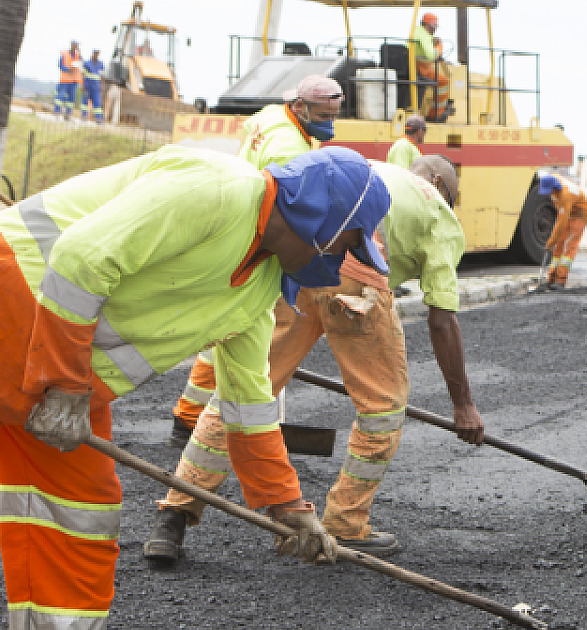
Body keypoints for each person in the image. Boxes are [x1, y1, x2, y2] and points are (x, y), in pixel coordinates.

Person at [0, 143, 391, 628]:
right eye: (348, 245)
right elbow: (81, 257)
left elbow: (249, 404)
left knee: (79, 515)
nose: (341, 264)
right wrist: (62, 384)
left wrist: (288, 505)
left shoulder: (258, 289)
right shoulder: (217, 188)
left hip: (47, 376)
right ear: (322, 221)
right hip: (16, 307)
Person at [144, 154, 483, 563]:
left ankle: (174, 515)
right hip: (359, 285)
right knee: (382, 410)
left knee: (242, 394)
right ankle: (346, 524)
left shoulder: (371, 170)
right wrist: (463, 406)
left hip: (298, 266)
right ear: (439, 183)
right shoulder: (439, 212)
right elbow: (442, 320)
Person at [167, 75, 345, 447]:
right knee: (256, 331)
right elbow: (289, 211)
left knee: (226, 328)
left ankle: (188, 414)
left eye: (333, 115)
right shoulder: (288, 148)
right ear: (300, 107)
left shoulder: (271, 116)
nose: (329, 123)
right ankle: (244, 429)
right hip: (256, 239)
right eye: (323, 115)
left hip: (239, 227)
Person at [536, 172, 587, 291]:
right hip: (569, 210)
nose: (549, 193)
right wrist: (554, 241)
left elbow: (561, 222)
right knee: (559, 243)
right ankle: (551, 278)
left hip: (580, 213)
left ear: (554, 186)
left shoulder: (565, 195)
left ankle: (560, 280)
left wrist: (551, 241)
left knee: (569, 244)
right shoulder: (554, 181)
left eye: (549, 190)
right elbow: (560, 218)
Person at [412, 12, 452, 121]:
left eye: (435, 28)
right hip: (420, 69)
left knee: (427, 83)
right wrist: (439, 47)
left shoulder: (416, 31)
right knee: (443, 81)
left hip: (415, 68)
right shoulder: (424, 35)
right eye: (431, 27)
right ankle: (435, 115)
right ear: (424, 25)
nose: (433, 30)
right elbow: (431, 56)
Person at [54, 40, 83, 119]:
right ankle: (57, 112)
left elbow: (82, 65)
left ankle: (68, 114)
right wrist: (67, 69)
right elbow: (60, 65)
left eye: (77, 46)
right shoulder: (65, 54)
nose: (76, 47)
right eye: (75, 45)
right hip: (65, 80)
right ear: (72, 45)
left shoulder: (78, 56)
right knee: (61, 96)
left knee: (71, 99)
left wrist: (80, 54)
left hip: (74, 81)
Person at [81, 49, 105, 123]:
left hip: (96, 86)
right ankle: (83, 116)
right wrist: (82, 85)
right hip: (87, 85)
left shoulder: (101, 64)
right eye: (95, 53)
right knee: (85, 102)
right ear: (92, 53)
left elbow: (102, 76)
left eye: (97, 53)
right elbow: (82, 75)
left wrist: (102, 86)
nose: (96, 54)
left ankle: (98, 119)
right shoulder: (86, 63)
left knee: (97, 102)